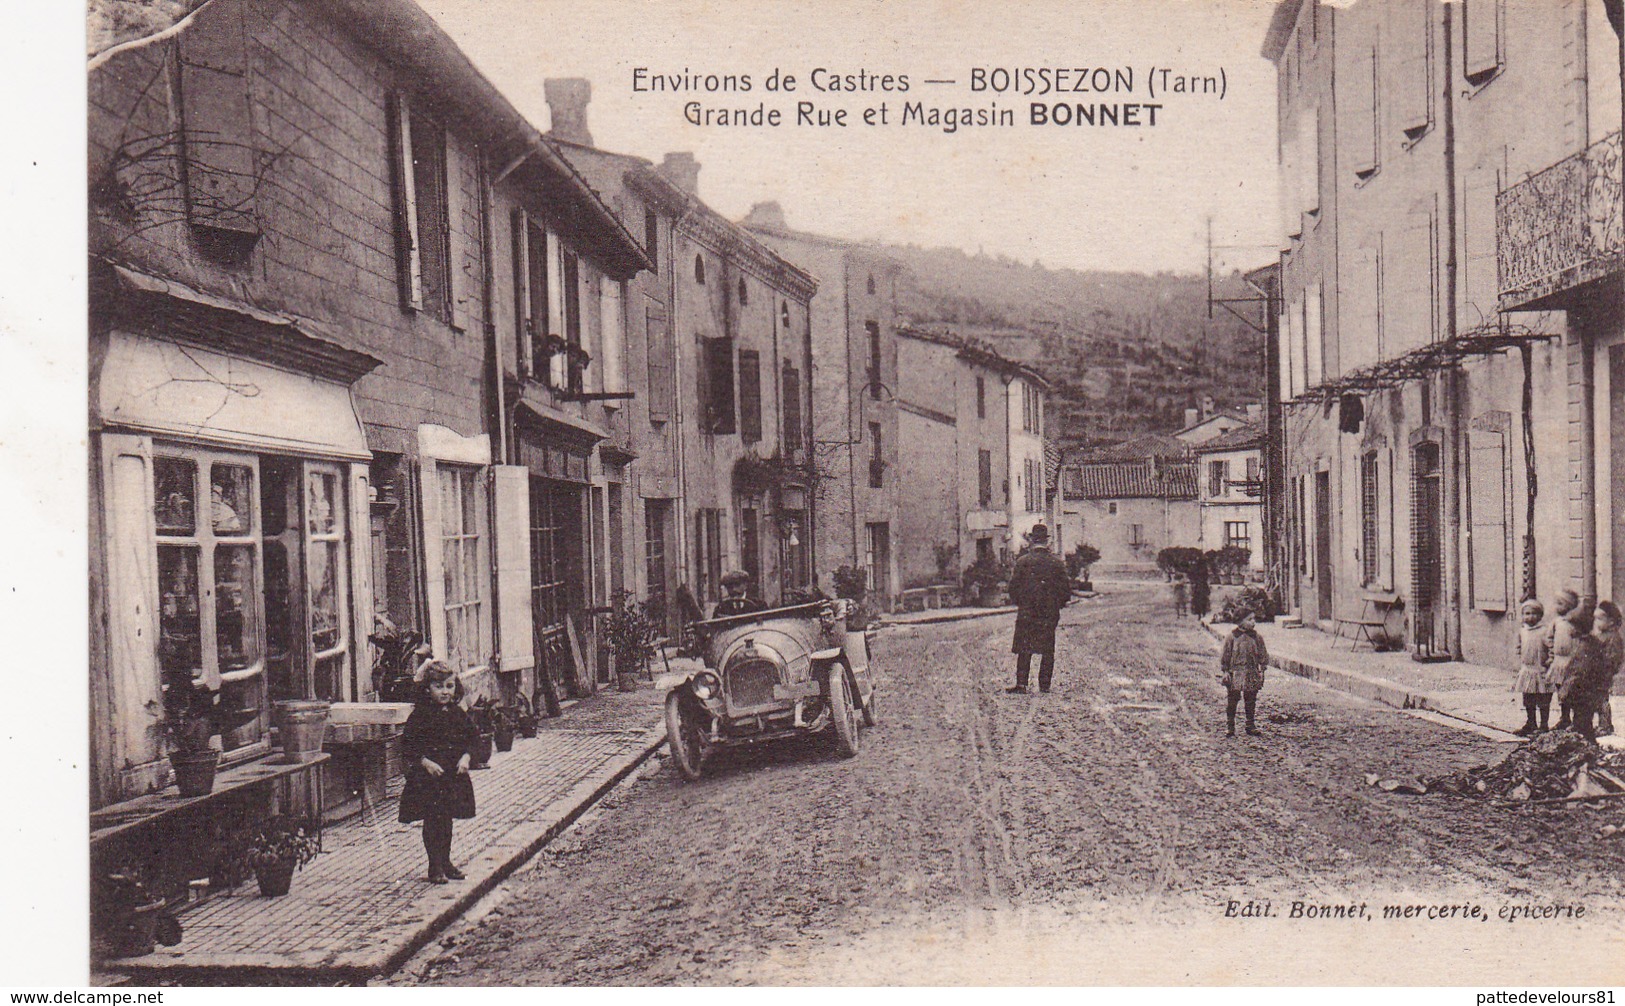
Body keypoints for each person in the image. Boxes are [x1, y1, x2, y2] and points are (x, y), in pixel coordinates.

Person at [398, 661, 477, 884]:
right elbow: (408, 745)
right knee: (433, 820)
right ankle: (435, 865)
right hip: (429, 778)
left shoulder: (457, 713)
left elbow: (472, 737)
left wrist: (466, 757)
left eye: (449, 686)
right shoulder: (420, 716)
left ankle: (447, 861)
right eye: (439, 687)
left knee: (447, 819)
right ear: (427, 689)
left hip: (451, 776)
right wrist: (425, 762)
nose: (445, 692)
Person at [1006, 524, 1071, 694]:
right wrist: (1057, 605)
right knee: (1048, 648)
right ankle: (1044, 685)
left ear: (1033, 540)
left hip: (1027, 612)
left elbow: (1013, 588)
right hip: (1048, 613)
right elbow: (1065, 589)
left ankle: (1022, 684)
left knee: (1024, 647)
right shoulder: (1056, 563)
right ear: (1047, 541)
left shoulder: (1023, 562)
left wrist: (1021, 603)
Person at [1219, 607, 1269, 736]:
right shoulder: (1231, 637)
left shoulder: (1257, 638)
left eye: (1254, 619)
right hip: (1234, 673)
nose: (1253, 622)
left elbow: (1262, 654)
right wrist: (1225, 671)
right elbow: (1225, 655)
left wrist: (1262, 670)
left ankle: (1250, 725)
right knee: (1232, 700)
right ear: (1240, 621)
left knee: (1251, 699)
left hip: (1251, 671)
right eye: (1249, 619)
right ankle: (1230, 726)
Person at [1511, 599, 1553, 737]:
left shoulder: (1544, 631)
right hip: (1527, 670)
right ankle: (1531, 723)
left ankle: (1544, 725)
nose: (1530, 617)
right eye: (1527, 614)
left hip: (1541, 671)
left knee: (1543, 699)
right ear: (1522, 616)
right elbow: (1519, 647)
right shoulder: (1522, 631)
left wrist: (1548, 662)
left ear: (1540, 615)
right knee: (1528, 698)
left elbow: (1552, 648)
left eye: (1534, 613)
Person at [1561, 607, 1604, 740]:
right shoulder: (1588, 643)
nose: (1569, 630)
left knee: (1583, 722)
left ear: (1579, 628)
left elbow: (1579, 670)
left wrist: (1567, 688)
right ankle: (1587, 745)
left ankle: (1587, 749)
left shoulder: (1585, 646)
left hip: (1582, 691)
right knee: (1583, 721)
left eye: (1571, 627)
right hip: (1585, 690)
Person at [1546, 588, 1581, 730]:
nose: (1557, 607)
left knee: (1573, 691)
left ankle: (1577, 720)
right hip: (1559, 661)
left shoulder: (1576, 622)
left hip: (1571, 661)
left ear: (1570, 605)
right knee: (1561, 692)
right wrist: (1551, 655)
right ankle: (1564, 718)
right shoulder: (1556, 622)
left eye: (1560, 604)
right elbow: (1549, 638)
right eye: (1557, 603)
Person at [1589, 600, 1622, 738]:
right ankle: (1602, 724)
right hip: (1595, 672)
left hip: (1603, 673)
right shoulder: (1599, 636)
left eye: (1600, 619)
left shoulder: (1613, 638)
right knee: (1596, 698)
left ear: (1611, 621)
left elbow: (1614, 658)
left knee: (1602, 699)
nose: (1597, 622)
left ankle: (1605, 725)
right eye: (1595, 619)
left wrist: (1606, 670)